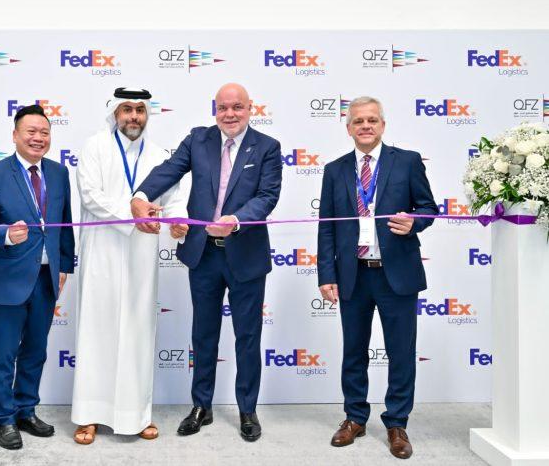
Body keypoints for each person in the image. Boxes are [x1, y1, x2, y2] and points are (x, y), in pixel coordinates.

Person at [131, 83, 282, 442]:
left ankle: (247, 410)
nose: (229, 114)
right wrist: (140, 195)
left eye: (237, 107)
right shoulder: (198, 139)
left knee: (248, 337)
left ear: (250, 108)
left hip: (245, 254)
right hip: (204, 254)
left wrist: (236, 220)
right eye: (222, 108)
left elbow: (267, 196)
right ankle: (202, 406)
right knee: (203, 334)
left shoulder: (267, 147)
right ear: (215, 110)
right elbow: (169, 170)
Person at [316, 96, 438, 460]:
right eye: (358, 121)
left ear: (382, 125)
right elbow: (326, 227)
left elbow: (429, 208)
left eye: (372, 120)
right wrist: (326, 274)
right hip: (353, 275)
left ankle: (397, 422)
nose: (365, 126)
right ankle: (355, 417)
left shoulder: (408, 161)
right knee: (353, 351)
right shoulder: (334, 170)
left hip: (396, 274)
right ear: (349, 128)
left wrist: (415, 222)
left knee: (401, 352)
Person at [71, 87, 189, 445]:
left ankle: (135, 416)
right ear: (115, 113)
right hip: (102, 250)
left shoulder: (159, 155)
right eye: (127, 109)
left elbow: (174, 197)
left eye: (140, 110)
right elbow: (90, 195)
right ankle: (89, 416)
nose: (134, 116)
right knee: (97, 330)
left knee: (137, 331)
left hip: (142, 250)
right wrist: (132, 213)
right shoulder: (95, 146)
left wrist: (177, 221)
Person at [0, 104, 75, 450]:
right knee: (3, 355)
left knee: (35, 351)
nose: (38, 138)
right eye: (31, 131)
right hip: (9, 279)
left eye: (44, 132)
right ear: (15, 135)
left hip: (47, 278)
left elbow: (65, 223)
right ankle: (3, 418)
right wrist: (5, 235)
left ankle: (26, 410)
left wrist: (64, 266)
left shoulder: (58, 173)